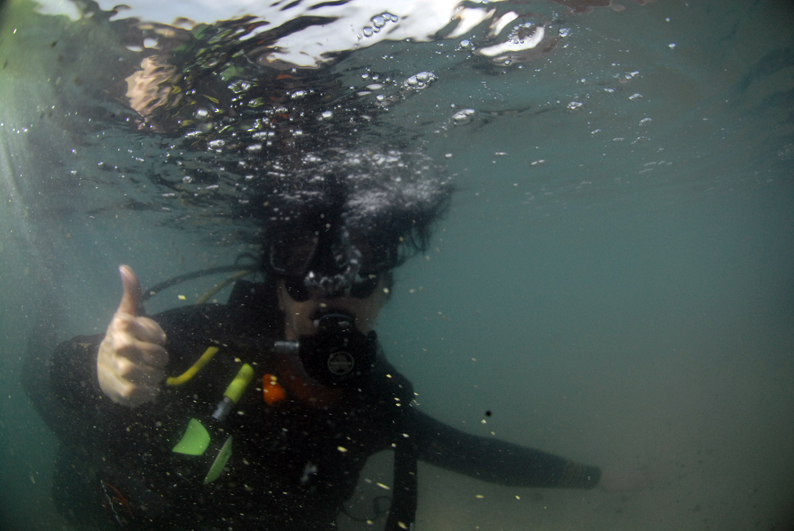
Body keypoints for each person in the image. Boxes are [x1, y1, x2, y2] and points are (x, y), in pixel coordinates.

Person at [26, 153, 645, 531]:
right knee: (41, 388)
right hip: (107, 510)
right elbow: (64, 375)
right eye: (305, 268)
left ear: (385, 294)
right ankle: (42, 293)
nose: (332, 291)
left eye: (362, 271)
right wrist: (98, 365)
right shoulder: (209, 342)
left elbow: (477, 456)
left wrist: (600, 478)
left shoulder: (377, 406)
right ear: (278, 289)